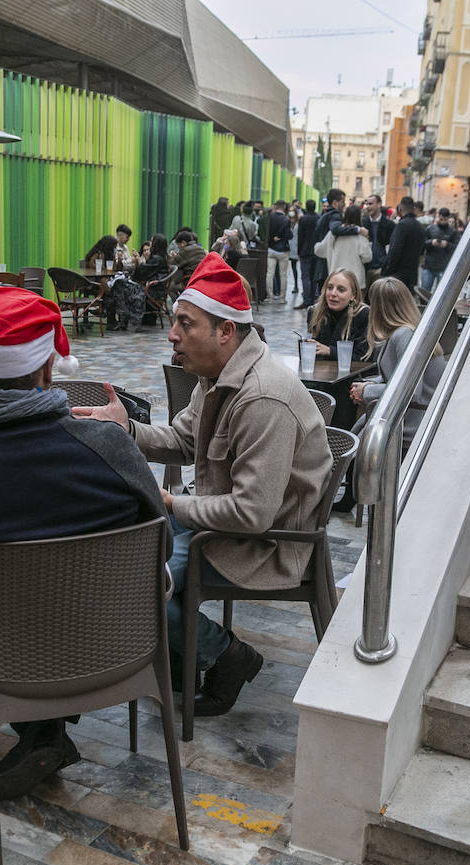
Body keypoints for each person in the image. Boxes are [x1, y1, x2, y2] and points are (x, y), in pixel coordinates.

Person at [0, 286, 162, 798]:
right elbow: (159, 539)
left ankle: (33, 726)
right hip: (120, 644)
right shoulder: (112, 445)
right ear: (47, 371)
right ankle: (46, 733)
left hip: (7, 655)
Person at [72, 253, 333, 717]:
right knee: (125, 549)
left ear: (225, 331)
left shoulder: (263, 397)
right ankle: (182, 653)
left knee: (135, 586)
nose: (172, 334)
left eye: (185, 323)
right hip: (223, 524)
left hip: (266, 545)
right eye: (175, 321)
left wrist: (172, 503)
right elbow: (183, 440)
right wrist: (126, 428)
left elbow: (252, 514)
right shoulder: (217, 375)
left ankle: (225, 655)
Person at [350, 276, 444, 442]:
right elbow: (396, 375)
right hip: (414, 420)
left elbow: (411, 391)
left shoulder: (404, 335)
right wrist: (369, 384)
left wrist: (367, 391)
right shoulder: (407, 332)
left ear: (379, 308)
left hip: (412, 426)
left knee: (359, 440)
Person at [313, 189, 370, 299]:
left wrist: (321, 246)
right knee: (354, 306)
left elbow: (318, 250)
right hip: (355, 281)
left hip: (335, 278)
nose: (344, 204)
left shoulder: (330, 231)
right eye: (342, 202)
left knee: (336, 305)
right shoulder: (360, 234)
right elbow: (367, 257)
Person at [307, 268, 369, 361]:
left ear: (353, 295)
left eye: (341, 290)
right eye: (330, 288)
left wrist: (330, 351)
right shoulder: (315, 312)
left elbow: (363, 358)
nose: (333, 293)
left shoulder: (363, 314)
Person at [383, 197, 427, 292]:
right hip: (412, 274)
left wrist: (387, 271)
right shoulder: (420, 227)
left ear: (400, 209)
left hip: (398, 275)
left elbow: (395, 250)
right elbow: (422, 250)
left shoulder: (402, 225)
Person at [421, 208, 460, 293]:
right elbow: (422, 244)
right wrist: (431, 242)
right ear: (438, 217)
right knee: (424, 291)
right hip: (429, 265)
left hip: (444, 266)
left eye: (445, 219)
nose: (442, 221)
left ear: (448, 218)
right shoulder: (430, 229)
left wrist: (447, 245)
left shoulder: (453, 232)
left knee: (441, 292)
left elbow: (457, 248)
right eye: (441, 219)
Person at [362, 194, 395, 287]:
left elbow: (392, 246)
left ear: (379, 204)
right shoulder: (363, 223)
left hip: (381, 268)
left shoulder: (389, 225)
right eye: (367, 204)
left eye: (371, 204)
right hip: (365, 268)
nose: (368, 207)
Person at [296, 199, 320, 308]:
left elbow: (300, 236)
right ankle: (314, 298)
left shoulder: (303, 219)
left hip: (305, 251)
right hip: (316, 251)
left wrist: (299, 251)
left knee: (305, 277)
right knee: (314, 277)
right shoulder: (319, 218)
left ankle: (307, 299)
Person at [266, 201, 292, 301]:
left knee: (270, 273)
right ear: (284, 207)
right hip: (283, 250)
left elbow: (267, 232)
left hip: (271, 249)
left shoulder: (270, 217)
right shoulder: (286, 219)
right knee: (283, 274)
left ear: (275, 206)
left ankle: (270, 295)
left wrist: (272, 239)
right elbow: (289, 235)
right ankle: (282, 297)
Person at [170, 230, 205, 297]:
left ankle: (178, 302)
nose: (179, 247)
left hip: (190, 280)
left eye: (178, 245)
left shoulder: (185, 250)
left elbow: (172, 264)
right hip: (201, 280)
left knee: (171, 287)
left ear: (183, 243)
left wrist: (172, 257)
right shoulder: (201, 249)